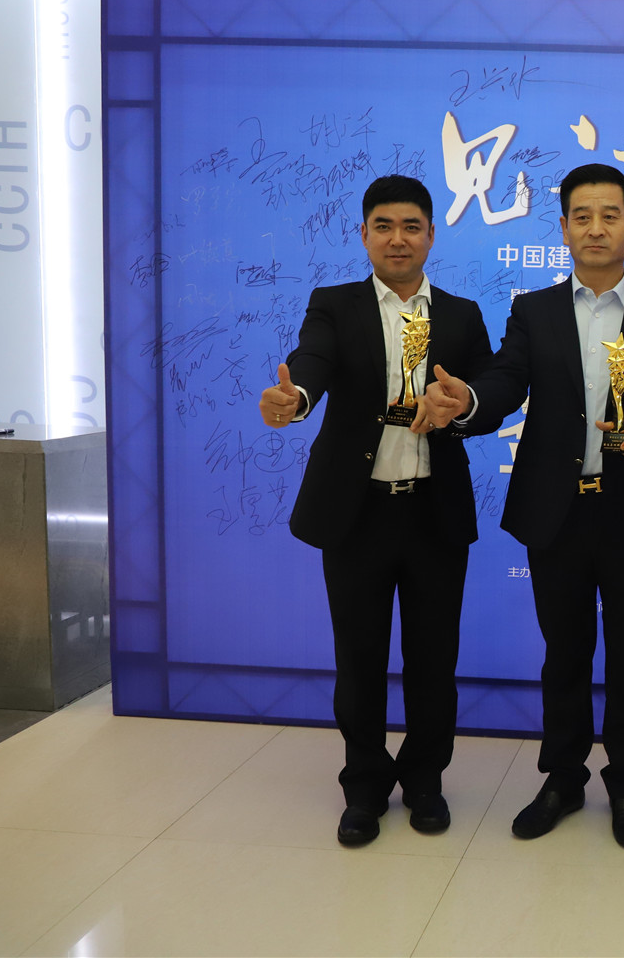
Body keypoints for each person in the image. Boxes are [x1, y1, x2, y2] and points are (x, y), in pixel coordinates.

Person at [422, 163, 624, 848]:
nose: (596, 228)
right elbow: (507, 378)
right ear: (565, 228)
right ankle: (563, 778)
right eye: (582, 216)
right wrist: (469, 400)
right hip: (556, 511)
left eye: (610, 215)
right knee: (564, 652)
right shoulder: (533, 310)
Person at [257, 175, 493, 846]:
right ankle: (363, 787)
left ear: (431, 236)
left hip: (433, 513)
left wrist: (463, 406)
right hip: (356, 515)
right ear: (363, 235)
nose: (397, 239)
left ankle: (424, 781)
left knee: (433, 661)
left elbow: (488, 396)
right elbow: (312, 362)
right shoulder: (334, 304)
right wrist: (295, 400)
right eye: (383, 226)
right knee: (359, 660)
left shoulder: (462, 315)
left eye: (411, 226)